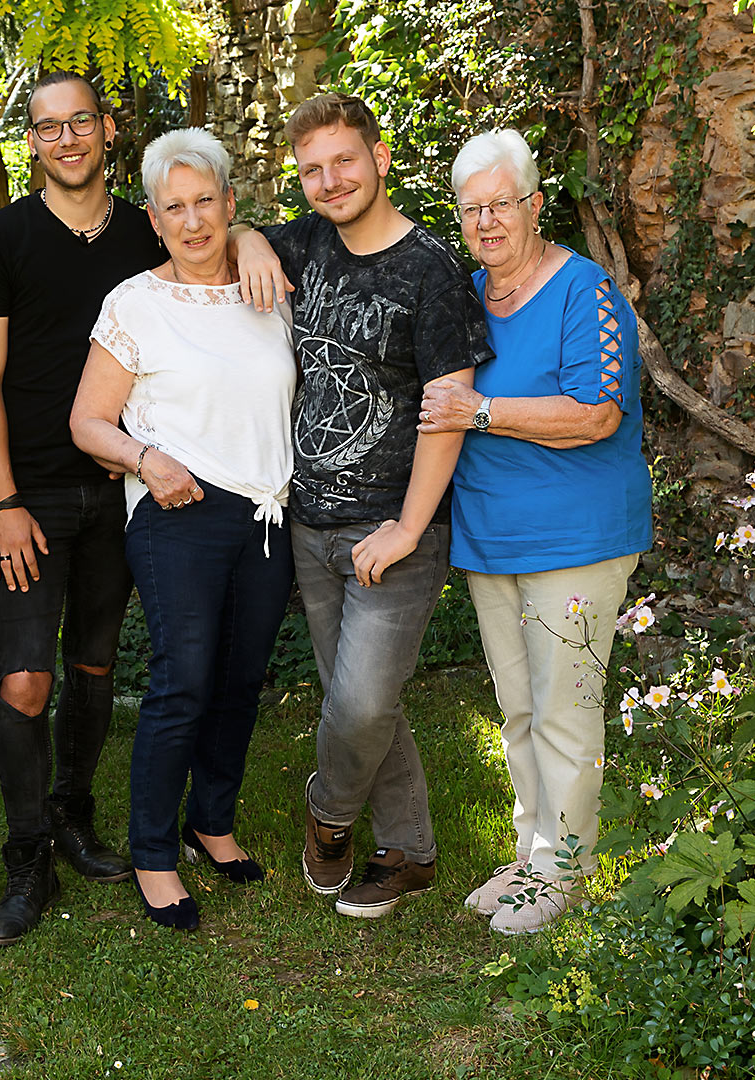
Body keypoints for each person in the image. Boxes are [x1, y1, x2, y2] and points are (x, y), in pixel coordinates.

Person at [235, 92, 493, 918]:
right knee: (363, 704)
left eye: (344, 160)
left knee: (360, 705)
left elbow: (448, 407)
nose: (329, 180)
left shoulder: (431, 270)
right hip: (310, 526)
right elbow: (238, 234)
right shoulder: (308, 242)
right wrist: (247, 238)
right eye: (311, 170)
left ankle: (328, 812)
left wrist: (410, 527)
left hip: (393, 530)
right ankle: (409, 851)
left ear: (379, 159)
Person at [419, 128, 652, 934]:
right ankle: (533, 855)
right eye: (471, 209)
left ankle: (566, 869)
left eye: (501, 205)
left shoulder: (585, 291)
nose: (486, 221)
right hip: (492, 538)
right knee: (518, 709)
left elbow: (596, 414)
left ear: (535, 205)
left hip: (577, 538)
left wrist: (480, 410)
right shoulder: (468, 298)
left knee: (564, 711)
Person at [71, 128, 296, 931]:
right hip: (179, 512)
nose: (193, 220)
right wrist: (146, 460)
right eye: (175, 207)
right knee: (184, 680)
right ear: (154, 219)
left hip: (266, 516)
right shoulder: (134, 303)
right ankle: (153, 852)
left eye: (207, 202)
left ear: (231, 203)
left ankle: (213, 822)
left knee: (241, 680)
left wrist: (255, 239)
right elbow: (87, 421)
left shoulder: (269, 286)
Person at [0, 72, 162, 945]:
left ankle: (74, 816)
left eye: (81, 121)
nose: (68, 138)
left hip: (121, 487)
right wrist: (1, 499)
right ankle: (27, 858)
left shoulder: (148, 233)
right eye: (49, 127)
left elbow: (216, 248)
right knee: (24, 678)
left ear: (108, 129)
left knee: (93, 667)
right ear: (32, 143)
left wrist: (249, 240)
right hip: (31, 496)